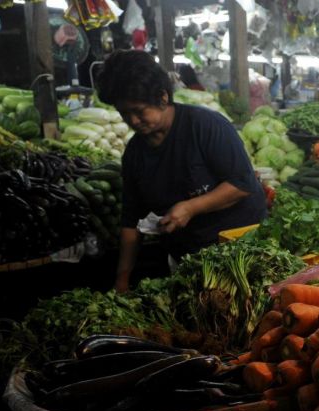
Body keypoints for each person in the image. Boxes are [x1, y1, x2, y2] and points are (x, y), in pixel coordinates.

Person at [95, 50, 267, 292]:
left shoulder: (206, 127)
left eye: (139, 110)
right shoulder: (134, 154)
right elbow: (130, 222)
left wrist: (190, 207)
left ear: (162, 97)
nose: (133, 121)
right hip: (189, 260)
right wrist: (122, 281)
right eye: (125, 113)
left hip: (241, 253)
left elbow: (242, 184)